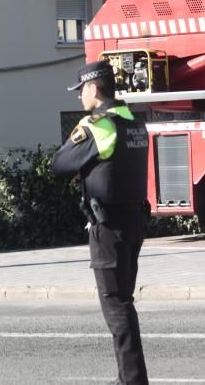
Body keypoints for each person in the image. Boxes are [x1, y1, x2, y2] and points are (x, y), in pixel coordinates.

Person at [52, 60, 150, 385]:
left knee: (115, 306)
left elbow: (60, 163)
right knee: (124, 302)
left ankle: (133, 381)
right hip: (134, 222)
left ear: (94, 88)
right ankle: (129, 378)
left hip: (109, 229)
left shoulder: (98, 125)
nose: (80, 97)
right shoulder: (133, 121)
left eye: (81, 90)